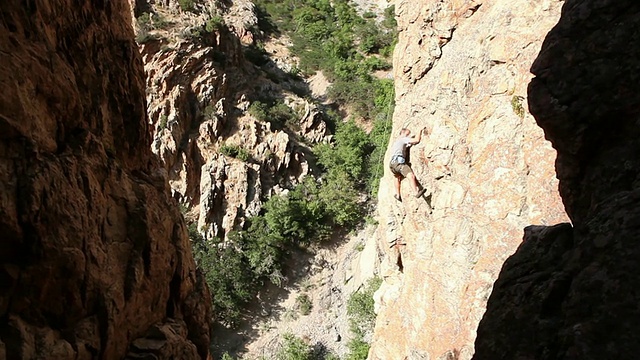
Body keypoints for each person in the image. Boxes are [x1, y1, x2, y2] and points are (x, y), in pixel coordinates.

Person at [389, 127, 427, 201]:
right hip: (398, 162)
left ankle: (397, 194)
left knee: (397, 177)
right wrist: (419, 130)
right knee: (411, 175)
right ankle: (416, 192)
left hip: (392, 164)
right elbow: (416, 140)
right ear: (402, 133)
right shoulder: (403, 139)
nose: (408, 136)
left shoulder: (396, 142)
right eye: (407, 134)